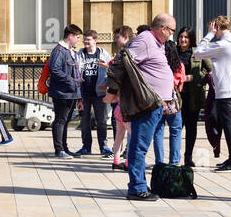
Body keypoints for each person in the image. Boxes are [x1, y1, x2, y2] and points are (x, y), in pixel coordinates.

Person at [123, 14, 179, 202]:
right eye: (172, 31)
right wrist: (115, 92)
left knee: (141, 145)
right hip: (147, 104)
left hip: (157, 104)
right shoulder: (145, 41)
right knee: (139, 146)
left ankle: (139, 184)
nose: (172, 35)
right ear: (163, 29)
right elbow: (123, 63)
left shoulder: (157, 43)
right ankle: (137, 188)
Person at [196, 16, 231, 172]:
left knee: (229, 125)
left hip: (224, 90)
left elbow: (198, 53)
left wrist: (209, 35)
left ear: (217, 27)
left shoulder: (222, 45)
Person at [47, 24, 83, 158]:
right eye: (77, 37)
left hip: (69, 92)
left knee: (65, 120)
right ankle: (59, 149)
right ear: (70, 36)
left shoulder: (69, 51)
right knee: (60, 120)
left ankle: (64, 148)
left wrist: (77, 81)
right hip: (62, 92)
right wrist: (71, 80)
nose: (78, 40)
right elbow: (54, 69)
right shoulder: (59, 51)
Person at [74, 31, 111, 156]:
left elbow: (113, 70)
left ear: (95, 40)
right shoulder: (79, 54)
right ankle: (86, 147)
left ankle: (104, 146)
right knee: (84, 120)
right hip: (83, 93)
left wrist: (107, 83)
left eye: (88, 39)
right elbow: (75, 71)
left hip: (100, 93)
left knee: (102, 121)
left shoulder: (103, 53)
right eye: (84, 40)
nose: (85, 42)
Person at [107, 26, 135, 171]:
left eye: (117, 37)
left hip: (118, 104)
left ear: (125, 36)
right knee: (132, 134)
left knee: (119, 135)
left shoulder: (122, 53)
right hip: (126, 104)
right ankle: (130, 162)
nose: (115, 40)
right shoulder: (127, 53)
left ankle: (116, 160)